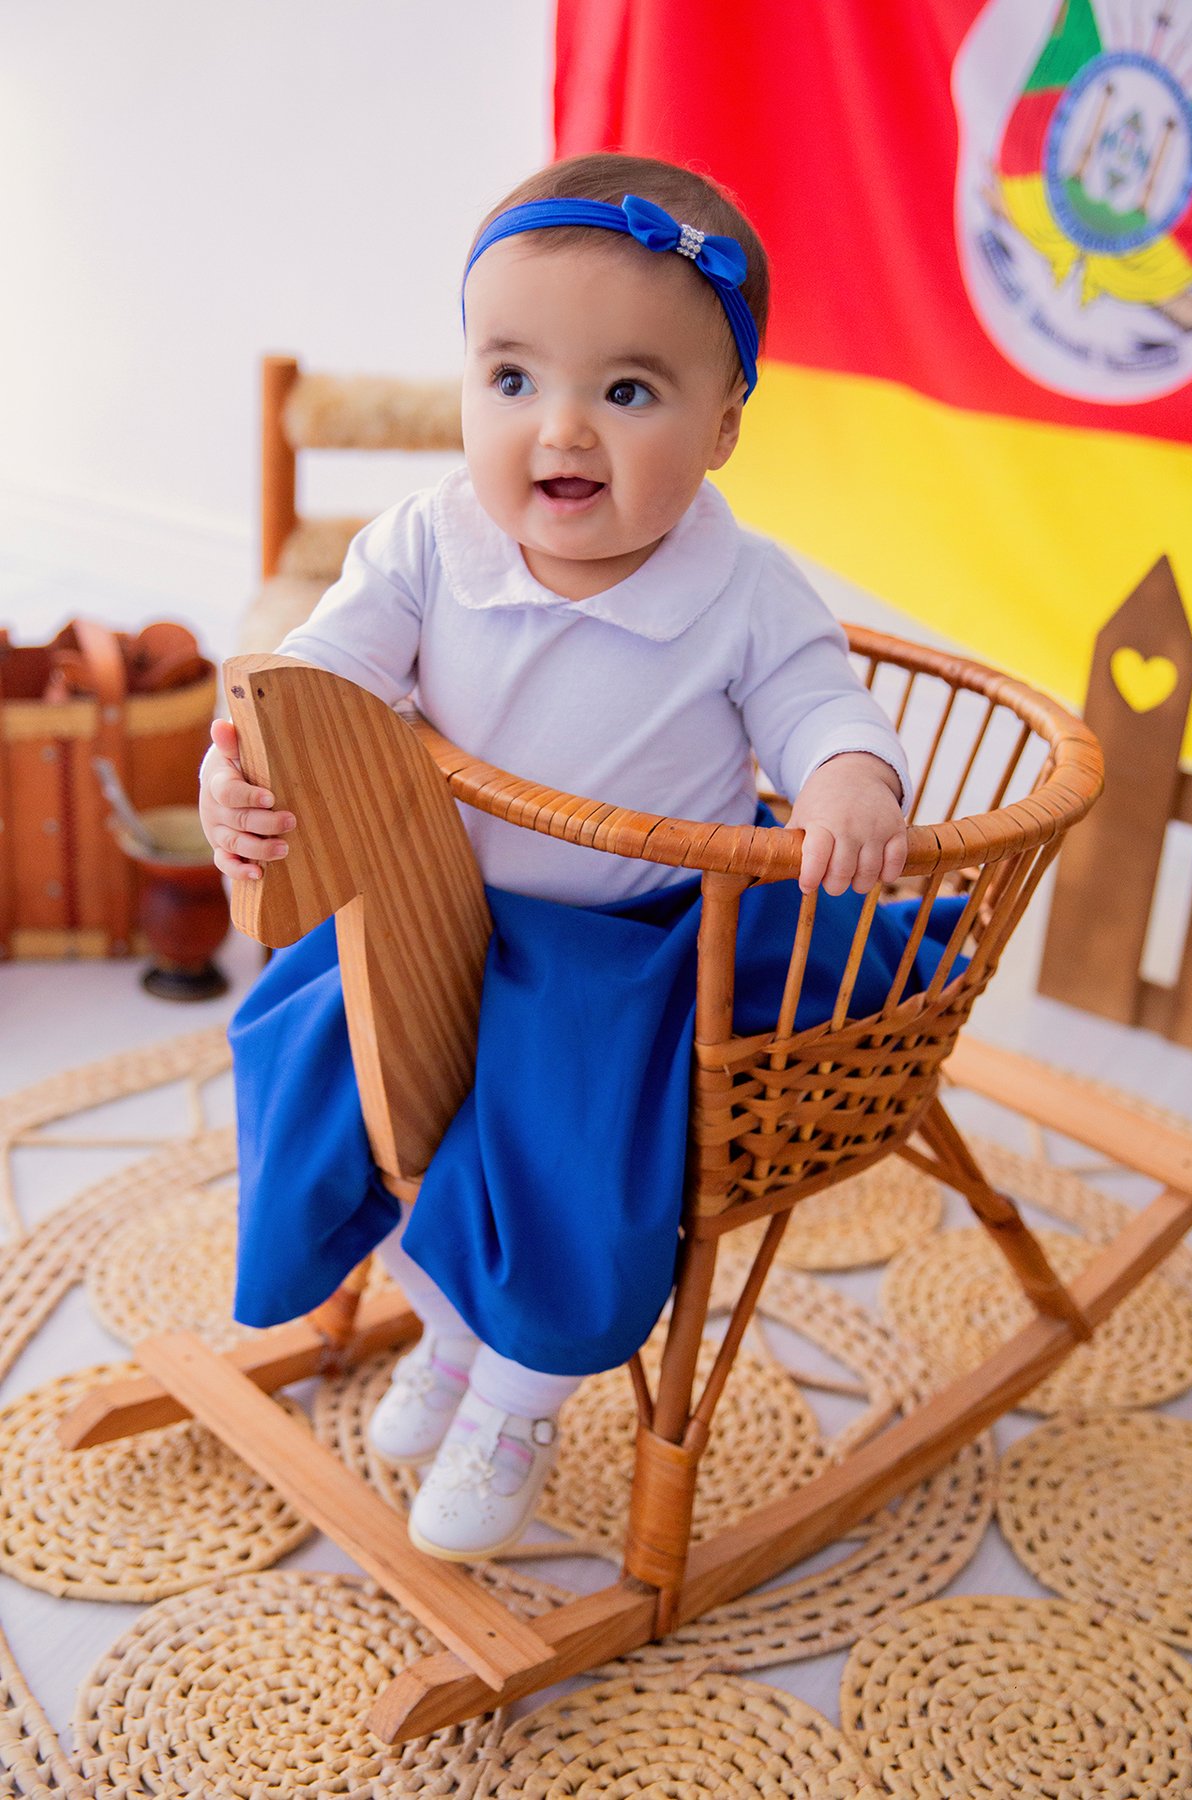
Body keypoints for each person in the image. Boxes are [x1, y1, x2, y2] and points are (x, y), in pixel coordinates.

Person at [200, 153, 957, 1562]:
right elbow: (316, 675)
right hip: (447, 904)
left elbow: (816, 701)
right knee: (320, 1053)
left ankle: (522, 1390)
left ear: (724, 424)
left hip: (630, 935)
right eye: (512, 380)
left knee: (571, 1138)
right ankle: (448, 1324)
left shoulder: (743, 588)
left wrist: (850, 775)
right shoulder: (429, 543)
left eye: (628, 391)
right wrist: (239, 769)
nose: (562, 428)